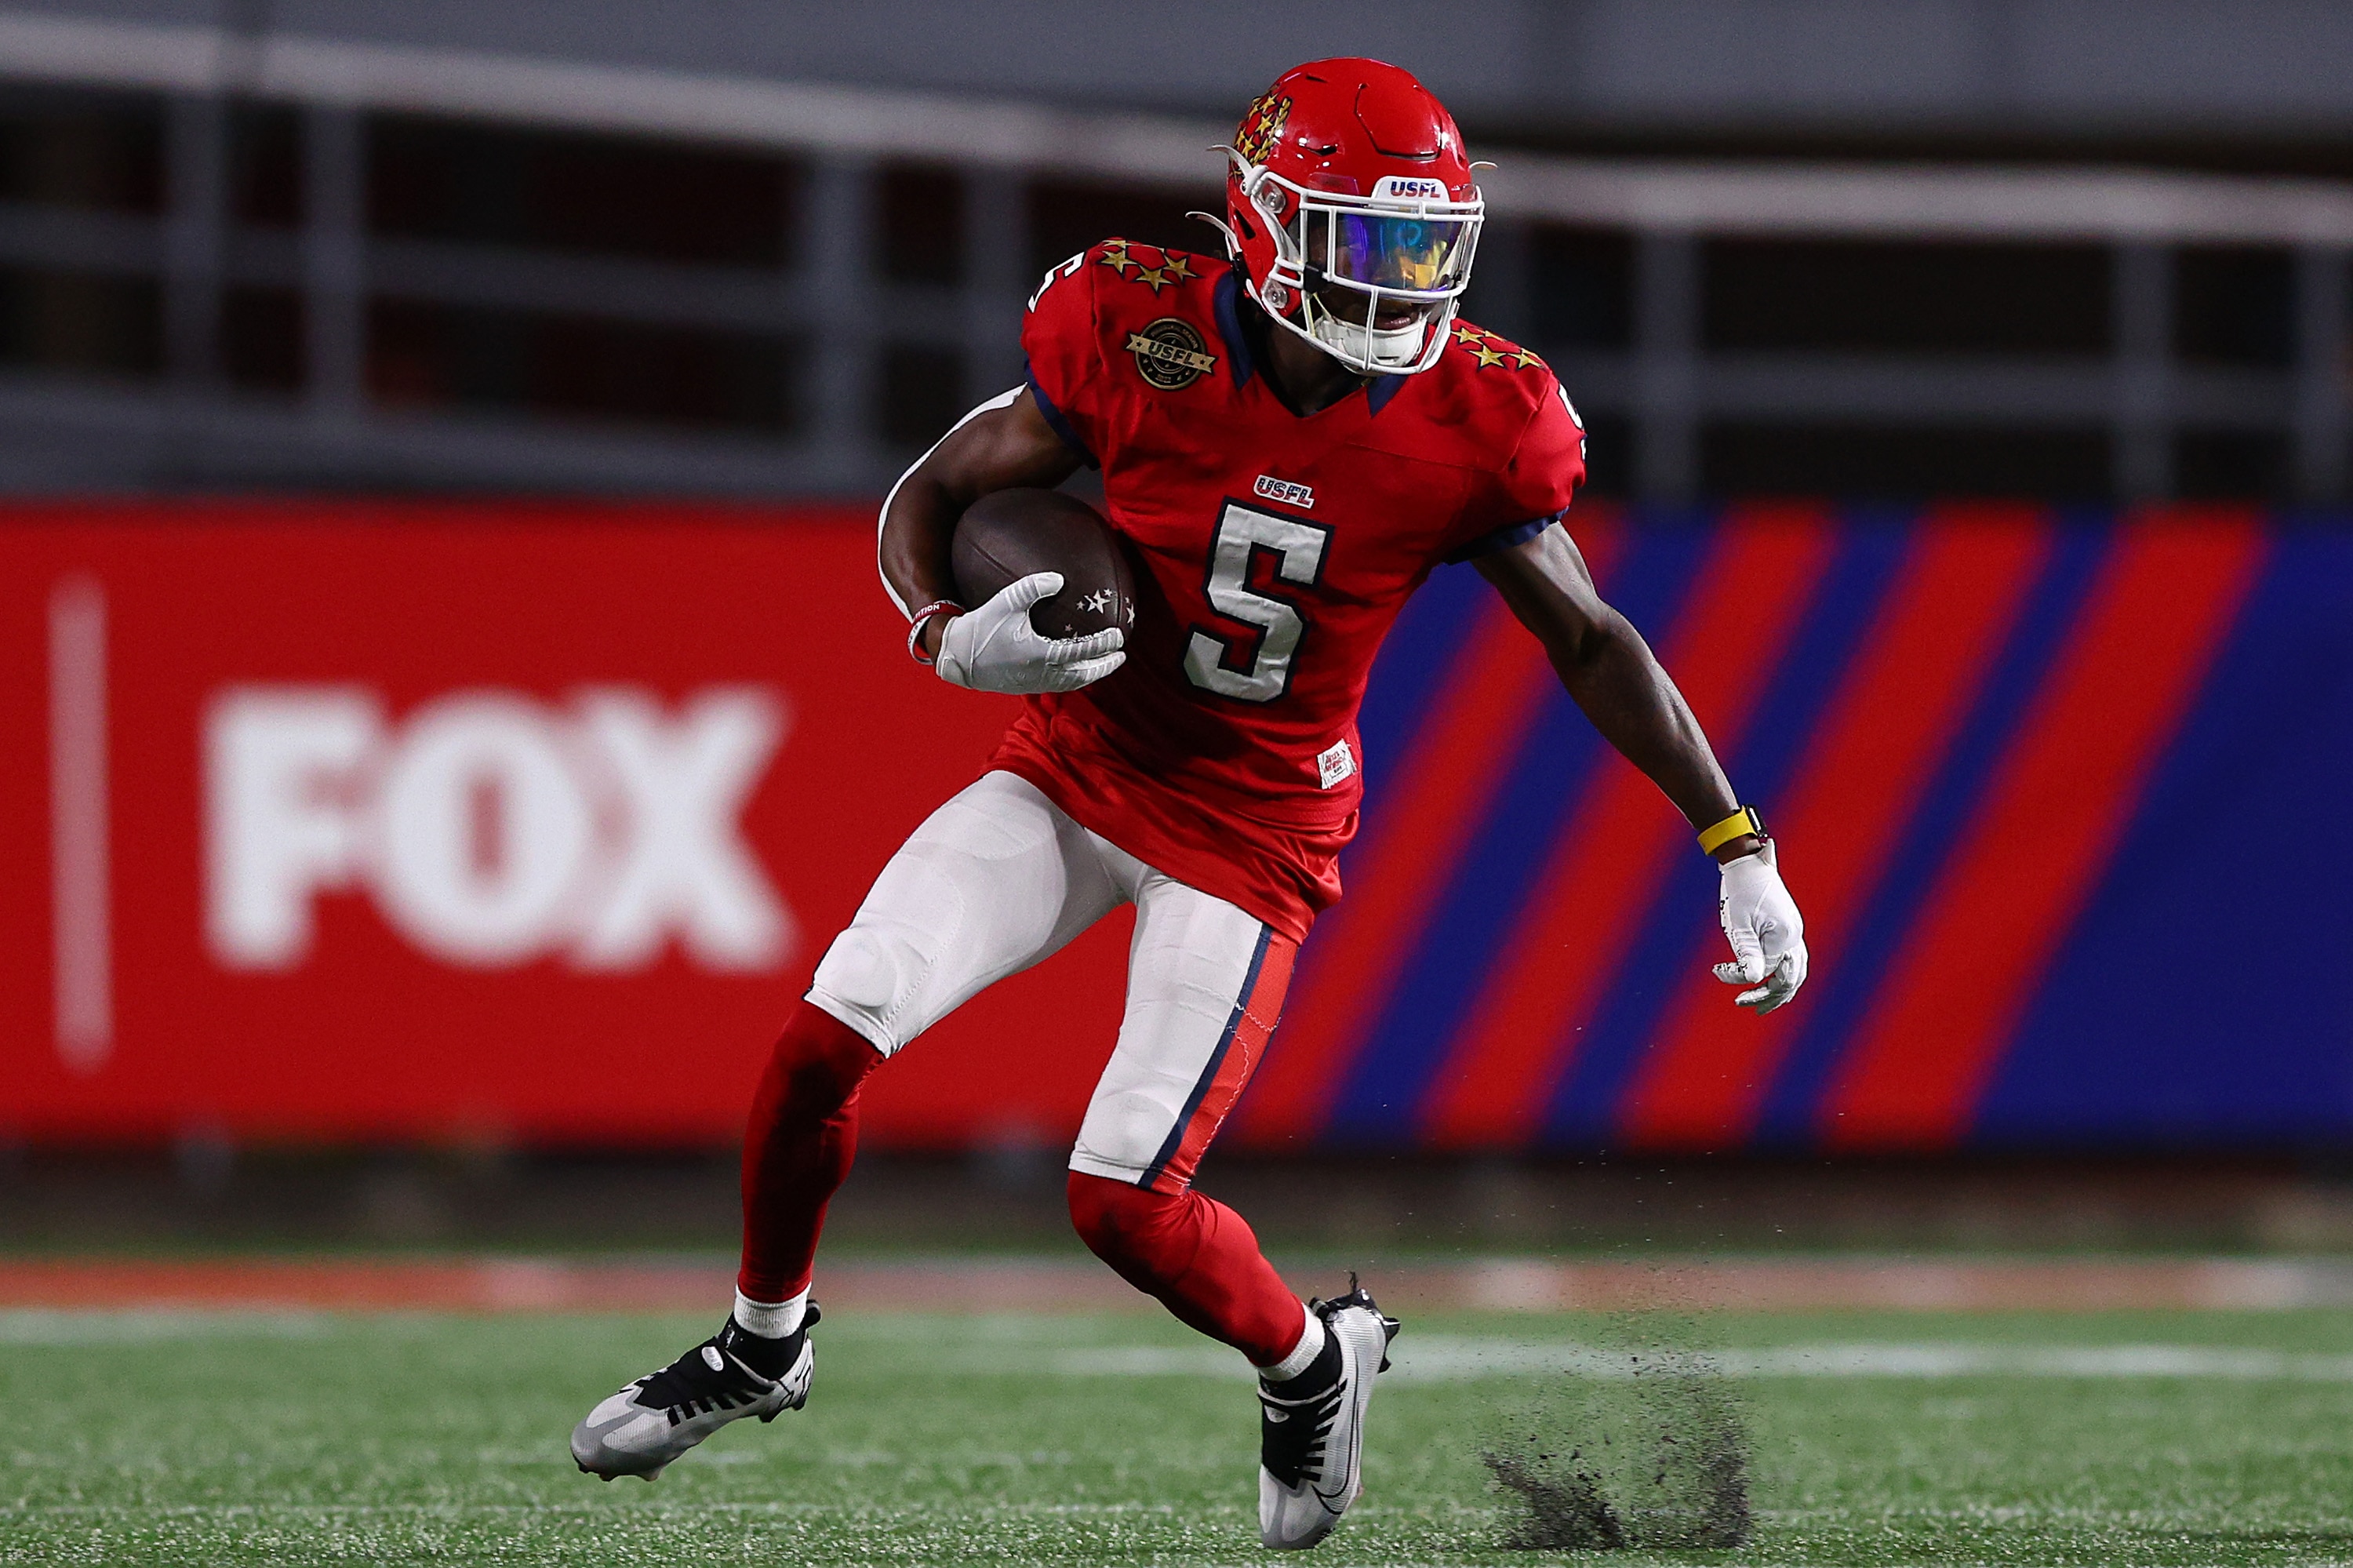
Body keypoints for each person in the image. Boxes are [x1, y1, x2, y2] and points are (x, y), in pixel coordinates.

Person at [570, 56, 1807, 1551]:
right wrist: (943, 634)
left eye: (1424, 246)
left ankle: (1312, 1363)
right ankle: (764, 1344)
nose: (1400, 282)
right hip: (1076, 766)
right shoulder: (1134, 323)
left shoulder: (1482, 413)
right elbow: (931, 495)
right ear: (1266, 222)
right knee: (820, 1043)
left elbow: (1591, 639)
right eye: (1365, 240)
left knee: (1123, 1204)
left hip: (1252, 835)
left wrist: (1736, 840)